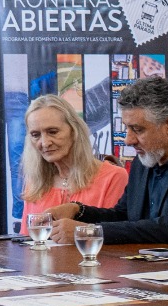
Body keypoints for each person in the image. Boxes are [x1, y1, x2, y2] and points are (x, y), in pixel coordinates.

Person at [48, 77, 168, 253]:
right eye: (127, 129)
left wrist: (89, 231)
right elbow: (123, 215)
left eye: (137, 130)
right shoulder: (144, 161)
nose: (128, 140)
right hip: (150, 271)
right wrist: (78, 211)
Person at [19, 94, 128, 231]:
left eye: (53, 132)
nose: (45, 143)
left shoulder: (113, 177)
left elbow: (117, 237)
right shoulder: (35, 182)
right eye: (35, 135)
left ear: (74, 131)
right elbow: (24, 241)